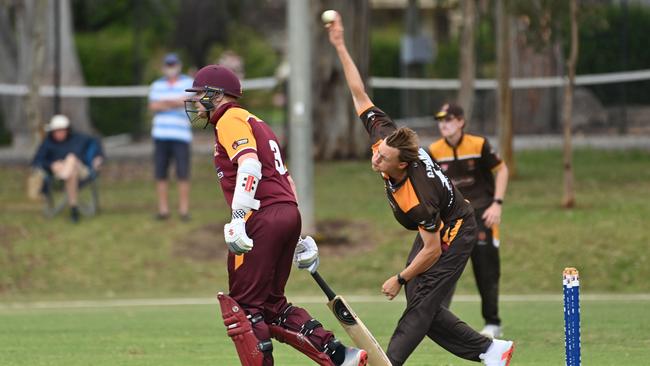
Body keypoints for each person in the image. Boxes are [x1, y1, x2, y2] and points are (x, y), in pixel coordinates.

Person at [325, 12, 514, 366]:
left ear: (402, 165)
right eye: (377, 152)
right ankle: (490, 350)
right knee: (421, 300)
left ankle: (390, 361)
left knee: (421, 301)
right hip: (440, 222)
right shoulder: (387, 137)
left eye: (383, 159)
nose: (376, 159)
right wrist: (340, 44)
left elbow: (431, 251)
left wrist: (399, 277)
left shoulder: (419, 194)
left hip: (457, 228)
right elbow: (359, 95)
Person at [183, 64, 367, 366]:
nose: (195, 101)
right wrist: (296, 236)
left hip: (262, 217)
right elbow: (286, 181)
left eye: (200, 93)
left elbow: (250, 165)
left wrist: (239, 218)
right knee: (271, 305)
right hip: (285, 212)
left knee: (243, 308)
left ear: (216, 95)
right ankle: (340, 356)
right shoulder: (258, 122)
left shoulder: (229, 118)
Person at [429, 103, 510, 339]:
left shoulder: (479, 144)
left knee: (487, 269)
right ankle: (439, 319)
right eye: (440, 120)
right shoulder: (434, 150)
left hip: (483, 214)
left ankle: (492, 322)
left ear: (461, 121)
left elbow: (502, 170)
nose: (443, 124)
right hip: (453, 220)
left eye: (449, 119)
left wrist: (497, 204)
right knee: (445, 268)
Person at [31, 114, 104, 222]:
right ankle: (74, 210)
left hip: (81, 170)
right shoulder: (47, 143)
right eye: (57, 130)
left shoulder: (79, 138)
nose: (60, 133)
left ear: (67, 130)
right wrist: (52, 164)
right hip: (59, 172)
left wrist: (98, 157)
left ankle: (65, 174)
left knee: (71, 158)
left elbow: (96, 142)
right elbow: (37, 160)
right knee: (71, 173)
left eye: (62, 130)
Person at [148, 53, 194, 221]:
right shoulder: (156, 85)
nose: (171, 68)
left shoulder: (188, 82)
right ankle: (163, 210)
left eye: (173, 64)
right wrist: (176, 101)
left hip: (181, 136)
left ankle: (184, 210)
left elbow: (188, 100)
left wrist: (164, 103)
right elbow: (153, 106)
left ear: (179, 65)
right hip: (160, 136)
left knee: (183, 173)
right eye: (168, 65)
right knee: (161, 173)